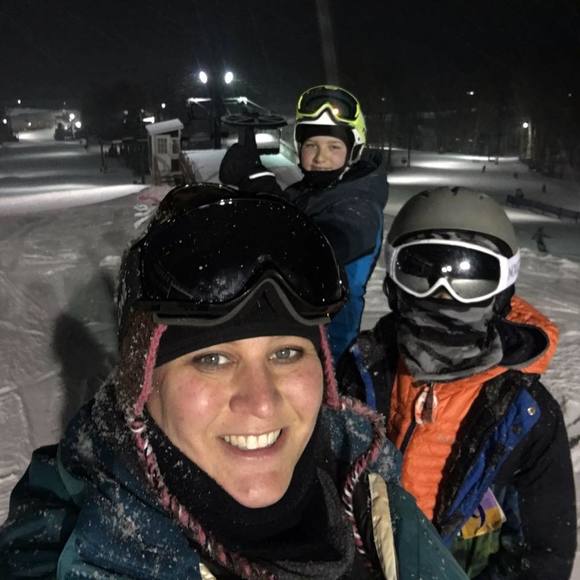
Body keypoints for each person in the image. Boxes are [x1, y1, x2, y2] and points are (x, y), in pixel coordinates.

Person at [0, 184, 467, 579]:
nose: (261, 402)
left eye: (286, 353)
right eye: (213, 359)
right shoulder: (68, 549)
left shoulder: (374, 499)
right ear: (141, 384)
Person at [338, 187, 576, 578]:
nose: (443, 294)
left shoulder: (526, 415)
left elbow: (543, 555)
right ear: (394, 282)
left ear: (503, 290)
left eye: (471, 276)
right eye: (421, 271)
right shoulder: (359, 374)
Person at [219, 85, 388, 362]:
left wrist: (264, 190)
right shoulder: (306, 191)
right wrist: (249, 187)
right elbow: (266, 234)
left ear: (354, 149)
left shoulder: (361, 202)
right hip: (286, 331)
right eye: (311, 146)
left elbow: (316, 250)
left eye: (334, 147)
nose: (320, 158)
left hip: (326, 350)